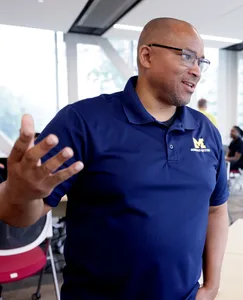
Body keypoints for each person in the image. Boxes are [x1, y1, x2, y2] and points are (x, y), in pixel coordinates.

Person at [0, 18, 229, 300]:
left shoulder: (207, 131)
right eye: (187, 56)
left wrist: (211, 285)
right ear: (146, 55)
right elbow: (18, 216)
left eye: (202, 62)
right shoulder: (82, 122)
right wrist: (17, 193)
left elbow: (216, 209)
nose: (196, 71)